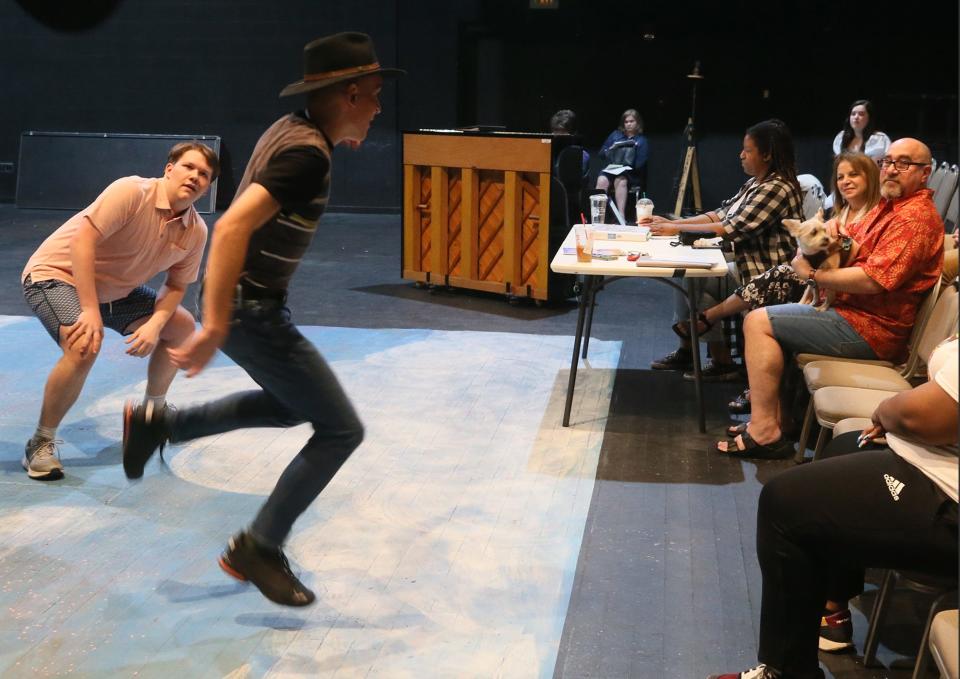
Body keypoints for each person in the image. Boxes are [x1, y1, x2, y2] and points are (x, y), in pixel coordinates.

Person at [121, 32, 403, 607]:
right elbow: (229, 228)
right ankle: (259, 545)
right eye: (373, 96)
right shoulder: (306, 154)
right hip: (251, 310)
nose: (378, 108)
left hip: (254, 305)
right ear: (348, 94)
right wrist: (218, 326)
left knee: (291, 405)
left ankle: (163, 426)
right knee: (342, 430)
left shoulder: (293, 129)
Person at [709, 336, 958, 679]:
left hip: (949, 502)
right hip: (936, 463)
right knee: (843, 447)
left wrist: (887, 411)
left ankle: (786, 672)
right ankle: (832, 609)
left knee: (784, 504)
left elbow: (934, 415)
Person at [718, 138, 944, 458]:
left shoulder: (914, 217)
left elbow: (872, 281)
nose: (892, 170)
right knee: (773, 315)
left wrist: (811, 275)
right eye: (888, 162)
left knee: (759, 321)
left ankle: (765, 430)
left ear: (925, 173)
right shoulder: (891, 207)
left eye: (904, 164)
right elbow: (837, 235)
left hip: (870, 329)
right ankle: (779, 420)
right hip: (851, 314)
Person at [19, 142, 218, 480]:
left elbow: (176, 286)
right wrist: (89, 310)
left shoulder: (196, 230)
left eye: (204, 175)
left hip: (117, 292)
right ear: (169, 168)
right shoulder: (130, 192)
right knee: (84, 345)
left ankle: (150, 416)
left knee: (181, 326)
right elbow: (83, 242)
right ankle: (41, 442)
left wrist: (156, 324)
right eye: (189, 167)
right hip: (57, 274)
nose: (195, 177)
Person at [708, 152, 881, 414]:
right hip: (820, 286)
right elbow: (807, 248)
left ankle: (712, 322)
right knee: (777, 285)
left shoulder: (877, 215)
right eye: (841, 176)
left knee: (775, 287)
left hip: (844, 299)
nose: (846, 181)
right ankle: (772, 401)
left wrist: (828, 251)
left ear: (871, 177)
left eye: (854, 175)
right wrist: (806, 258)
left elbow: (859, 253)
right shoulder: (840, 212)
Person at [643, 119, 803, 380]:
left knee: (697, 278)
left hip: (766, 275)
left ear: (767, 154)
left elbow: (732, 226)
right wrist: (674, 224)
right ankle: (698, 353)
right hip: (745, 267)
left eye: (748, 150)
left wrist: (676, 228)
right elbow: (720, 213)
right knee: (692, 277)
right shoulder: (756, 183)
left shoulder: (777, 187)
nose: (741, 155)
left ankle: (719, 360)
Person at [595, 108, 648, 219]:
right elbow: (601, 153)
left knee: (620, 180)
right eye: (626, 122)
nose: (628, 124)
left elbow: (640, 162)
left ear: (637, 123)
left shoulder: (641, 140)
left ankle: (621, 216)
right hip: (612, 168)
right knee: (601, 180)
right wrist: (608, 150)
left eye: (631, 121)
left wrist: (626, 167)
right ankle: (599, 216)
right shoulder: (615, 135)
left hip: (630, 172)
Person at [550, 108, 590, 177]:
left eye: (561, 138)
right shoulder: (548, 152)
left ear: (574, 133)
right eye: (555, 131)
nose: (557, 141)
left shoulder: (583, 156)